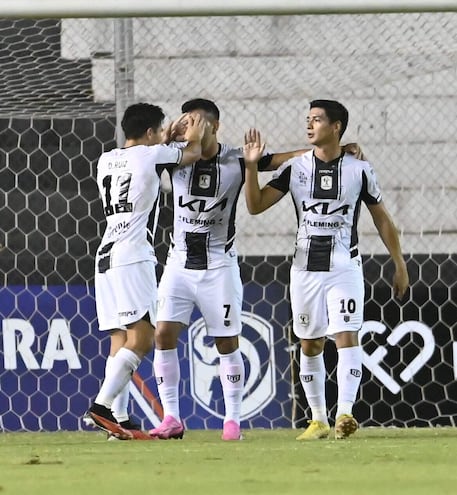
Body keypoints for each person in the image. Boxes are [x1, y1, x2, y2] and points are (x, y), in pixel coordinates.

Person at [242, 99, 409, 440]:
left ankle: (345, 413)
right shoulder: (295, 168)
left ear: (336, 127)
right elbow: (256, 206)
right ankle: (318, 419)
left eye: (317, 120)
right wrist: (249, 167)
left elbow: (382, 219)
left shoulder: (360, 170)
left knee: (347, 337)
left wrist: (399, 262)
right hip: (304, 269)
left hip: (343, 267)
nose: (309, 124)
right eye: (308, 119)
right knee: (310, 344)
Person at [148, 98, 312, 441]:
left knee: (226, 341)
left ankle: (233, 422)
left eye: (198, 122)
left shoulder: (238, 158)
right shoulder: (175, 156)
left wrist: (338, 151)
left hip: (217, 265)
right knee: (163, 334)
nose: (190, 127)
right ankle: (172, 418)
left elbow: (288, 159)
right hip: (178, 263)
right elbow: (142, 158)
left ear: (215, 126)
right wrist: (166, 138)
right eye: (187, 121)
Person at [85, 102, 205, 440]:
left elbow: (145, 153)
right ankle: (103, 405)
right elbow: (193, 153)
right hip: (132, 254)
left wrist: (163, 139)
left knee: (119, 339)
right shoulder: (152, 156)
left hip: (104, 255)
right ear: (151, 132)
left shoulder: (105, 159)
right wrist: (192, 136)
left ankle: (119, 419)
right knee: (142, 337)